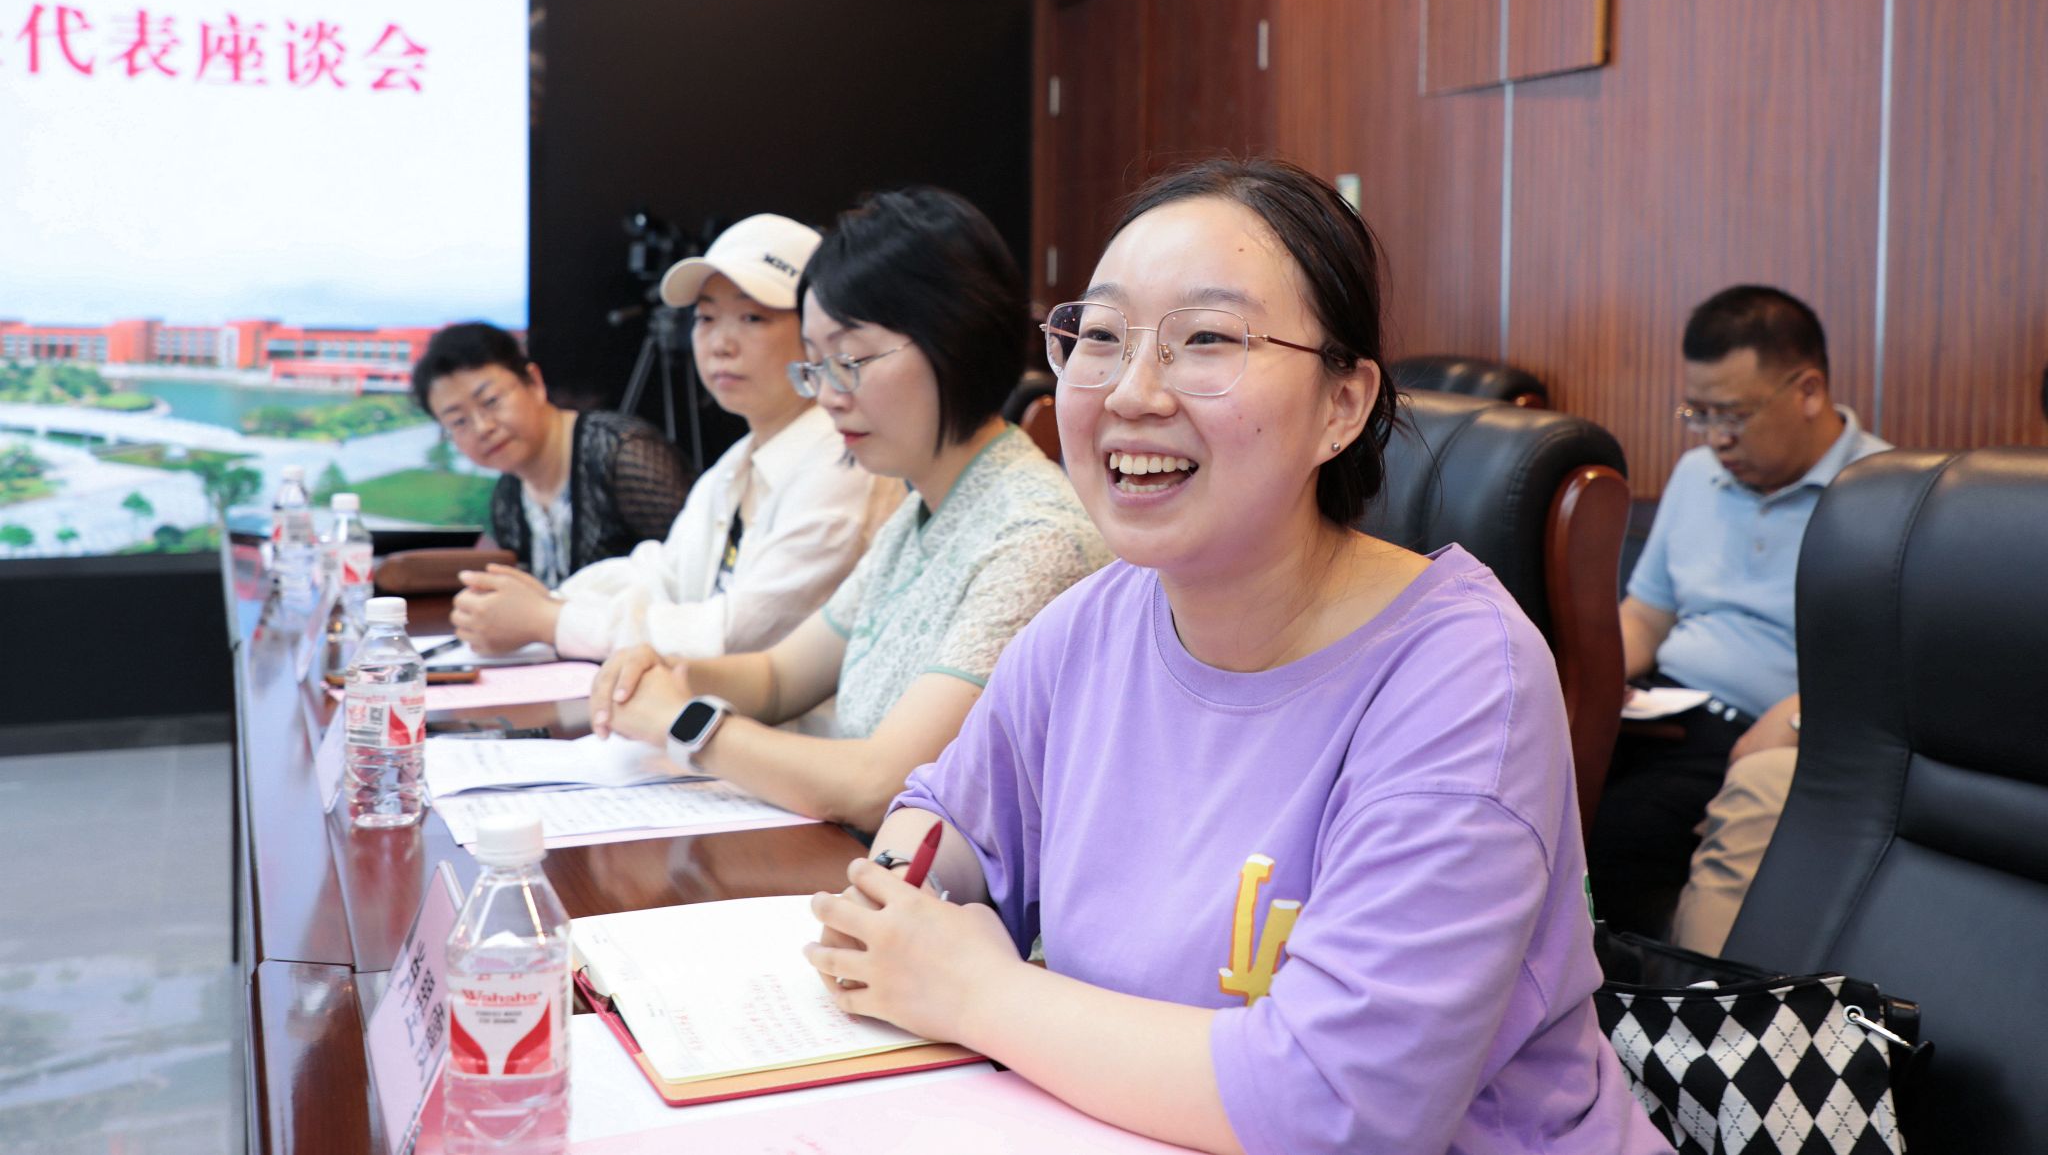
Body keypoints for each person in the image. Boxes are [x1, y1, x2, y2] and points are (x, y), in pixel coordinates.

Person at [799, 161, 1669, 1155]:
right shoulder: (1090, 623)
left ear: (1342, 405)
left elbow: (1338, 1108)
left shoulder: (1464, 674)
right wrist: (905, 890)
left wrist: (978, 992)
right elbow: (946, 820)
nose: (1132, 391)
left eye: (1206, 338)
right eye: (1101, 337)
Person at [587, 186, 1111, 833]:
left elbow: (880, 783)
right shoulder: (923, 510)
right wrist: (669, 674)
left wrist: (682, 719)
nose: (827, 395)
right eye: (815, 365)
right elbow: (780, 677)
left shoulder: (1034, 536)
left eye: (849, 359)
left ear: (957, 339)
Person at [446, 216, 900, 663]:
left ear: (819, 332)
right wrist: (546, 602)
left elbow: (740, 636)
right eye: (705, 317)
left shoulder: (844, 460)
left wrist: (551, 619)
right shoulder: (738, 463)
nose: (720, 344)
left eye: (752, 317)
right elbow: (662, 574)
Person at [1591, 285, 1890, 948]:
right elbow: (1646, 616)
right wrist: (1589, 678)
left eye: (1733, 414)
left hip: (1767, 732)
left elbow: (1893, 678)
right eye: (1699, 413)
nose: (1717, 437)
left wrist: (1799, 715)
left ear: (1808, 391)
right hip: (1660, 712)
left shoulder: (1888, 494)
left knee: (1615, 832)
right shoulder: (1695, 474)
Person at [412, 323, 691, 593]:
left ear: (534, 382)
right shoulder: (507, 497)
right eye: (458, 421)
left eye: (491, 401)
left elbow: (698, 575)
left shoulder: (622, 453)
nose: (482, 427)